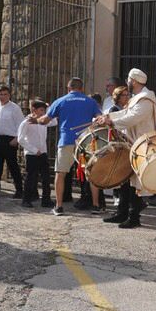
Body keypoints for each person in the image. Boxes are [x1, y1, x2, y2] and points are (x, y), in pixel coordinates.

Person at [95, 68, 156, 229]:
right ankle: (122, 213)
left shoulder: (145, 99)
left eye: (129, 80)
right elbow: (125, 113)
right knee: (126, 181)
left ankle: (133, 217)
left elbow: (131, 118)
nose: (127, 82)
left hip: (141, 145)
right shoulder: (138, 98)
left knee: (135, 184)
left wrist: (111, 121)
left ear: (134, 81)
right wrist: (108, 117)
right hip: (132, 143)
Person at [39, 77, 101, 217]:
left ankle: (59, 206)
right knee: (92, 173)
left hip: (66, 141)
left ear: (68, 89)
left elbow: (45, 120)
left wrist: (35, 119)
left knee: (60, 173)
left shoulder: (60, 101)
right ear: (81, 88)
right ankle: (96, 205)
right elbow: (99, 118)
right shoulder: (90, 101)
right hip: (86, 141)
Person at [17, 100, 56, 208]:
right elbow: (20, 139)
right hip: (31, 154)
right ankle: (26, 199)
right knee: (31, 178)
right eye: (41, 110)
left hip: (43, 152)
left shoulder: (43, 121)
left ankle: (46, 199)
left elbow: (54, 121)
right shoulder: (26, 122)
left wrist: (49, 109)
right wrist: (33, 149)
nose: (43, 112)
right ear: (34, 110)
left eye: (44, 110)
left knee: (46, 178)